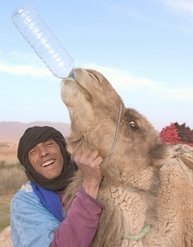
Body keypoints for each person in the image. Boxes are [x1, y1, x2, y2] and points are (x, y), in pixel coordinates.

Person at [10, 126, 103, 247]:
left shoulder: (90, 172)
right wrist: (90, 185)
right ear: (29, 164)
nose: (43, 153)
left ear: (62, 149)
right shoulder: (23, 202)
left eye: (49, 144)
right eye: (33, 152)